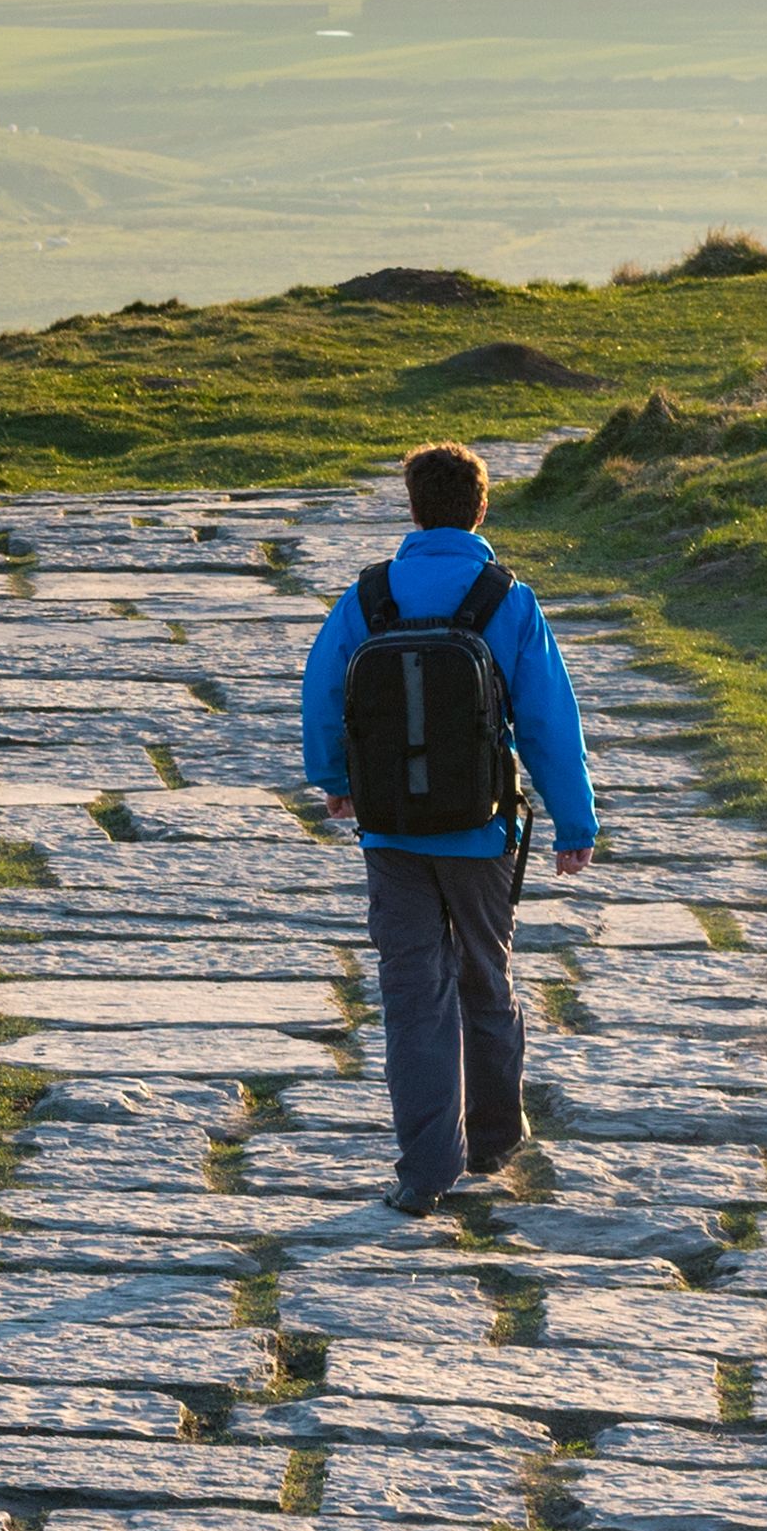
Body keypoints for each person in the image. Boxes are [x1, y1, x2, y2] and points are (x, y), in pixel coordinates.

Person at [297, 439, 600, 1211]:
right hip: (481, 829)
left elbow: (322, 692)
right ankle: (495, 1139)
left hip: (391, 831)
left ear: (413, 507)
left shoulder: (367, 598)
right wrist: (574, 820)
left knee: (410, 995)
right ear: (480, 507)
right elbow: (546, 720)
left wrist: (335, 782)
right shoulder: (507, 600)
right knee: (485, 974)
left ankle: (425, 1170)